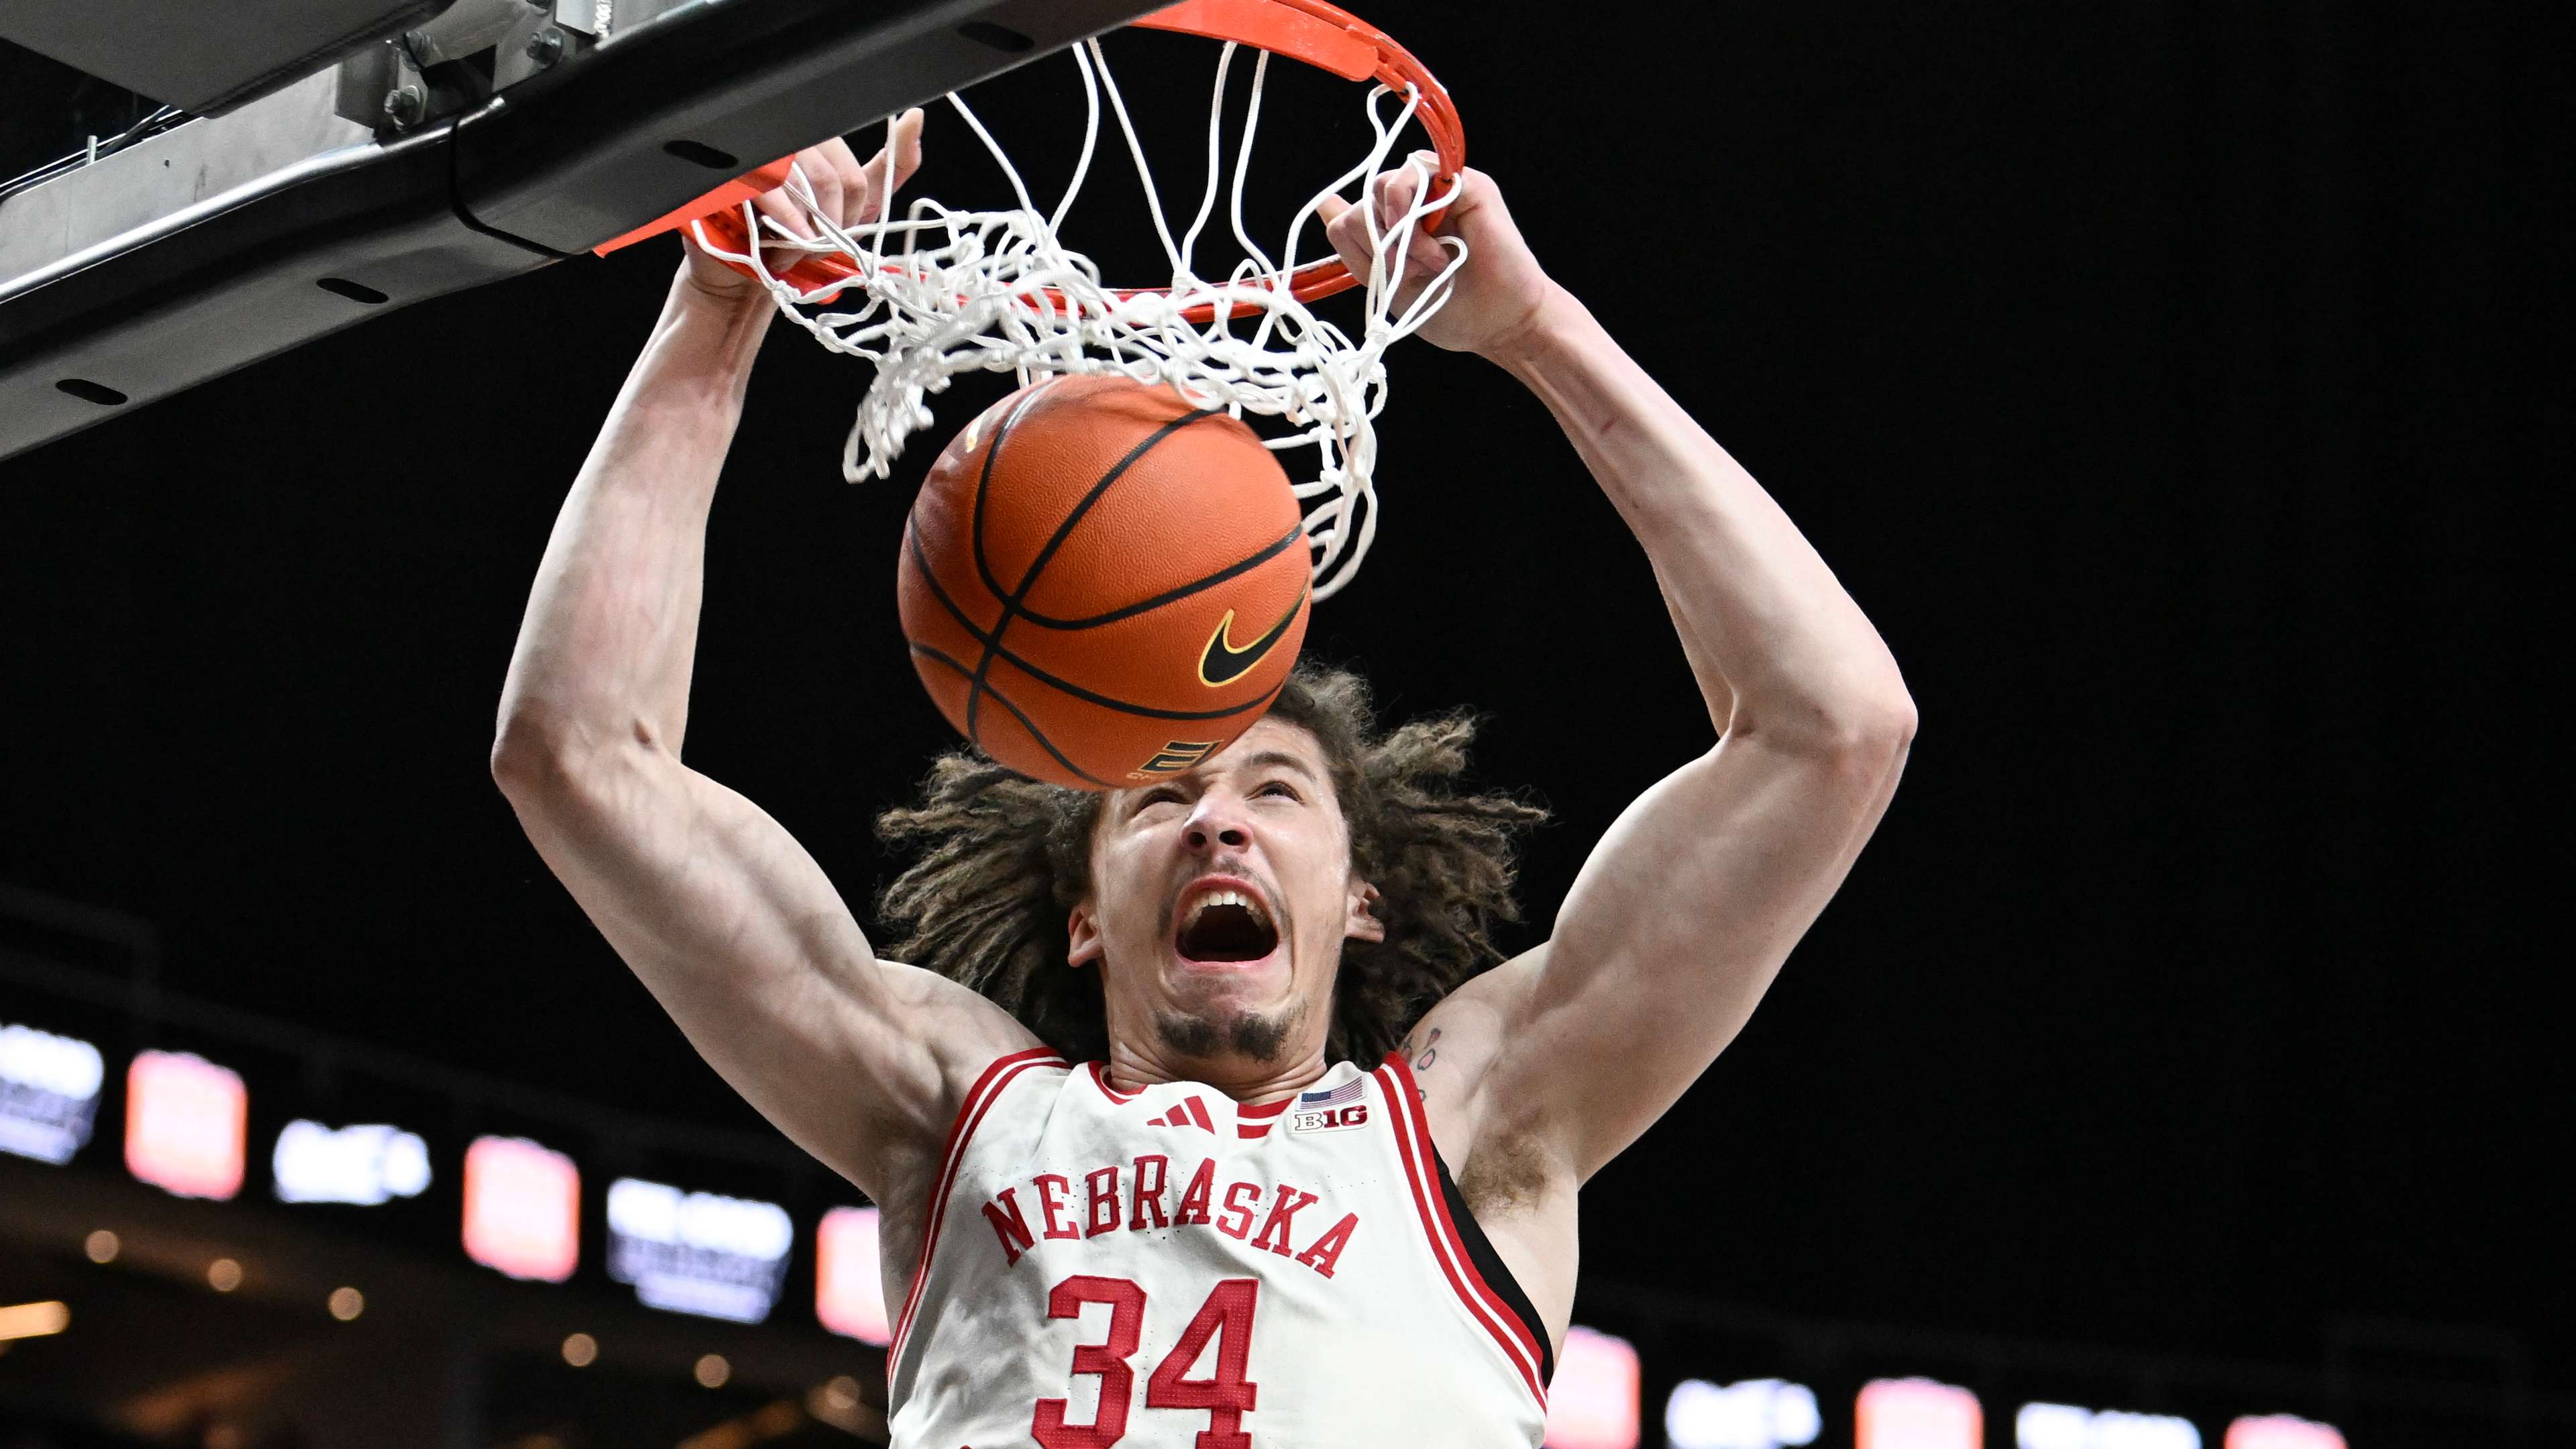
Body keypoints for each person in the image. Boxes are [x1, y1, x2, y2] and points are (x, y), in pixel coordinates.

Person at [492, 110, 1915, 1446]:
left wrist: (1542, 335)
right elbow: (578, 757)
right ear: (1086, 914)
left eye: (1278, 793)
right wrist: (721, 306)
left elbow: (1832, 728)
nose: (1218, 816)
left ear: (1360, 899)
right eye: (1160, 799)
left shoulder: (1478, 1123)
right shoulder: (954, 1105)